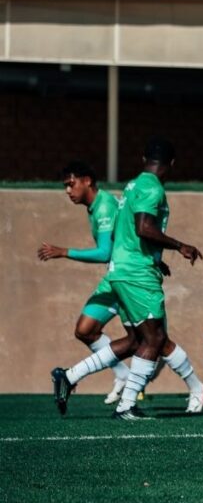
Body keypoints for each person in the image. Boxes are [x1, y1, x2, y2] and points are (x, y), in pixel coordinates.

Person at [51, 137, 203, 420]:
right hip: (136, 275)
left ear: (143, 159)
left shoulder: (133, 185)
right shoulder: (152, 187)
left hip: (122, 271)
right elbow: (144, 228)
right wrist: (180, 246)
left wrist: (155, 260)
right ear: (172, 164)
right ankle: (127, 405)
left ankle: (72, 375)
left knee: (138, 340)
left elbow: (125, 234)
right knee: (156, 337)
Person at [38, 161, 132, 405]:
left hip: (126, 278)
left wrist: (64, 251)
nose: (68, 191)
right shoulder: (95, 206)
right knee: (85, 330)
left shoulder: (104, 207)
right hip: (115, 278)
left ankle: (196, 387)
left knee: (153, 340)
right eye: (65, 186)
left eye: (71, 184)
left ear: (87, 181)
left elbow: (104, 253)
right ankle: (123, 374)